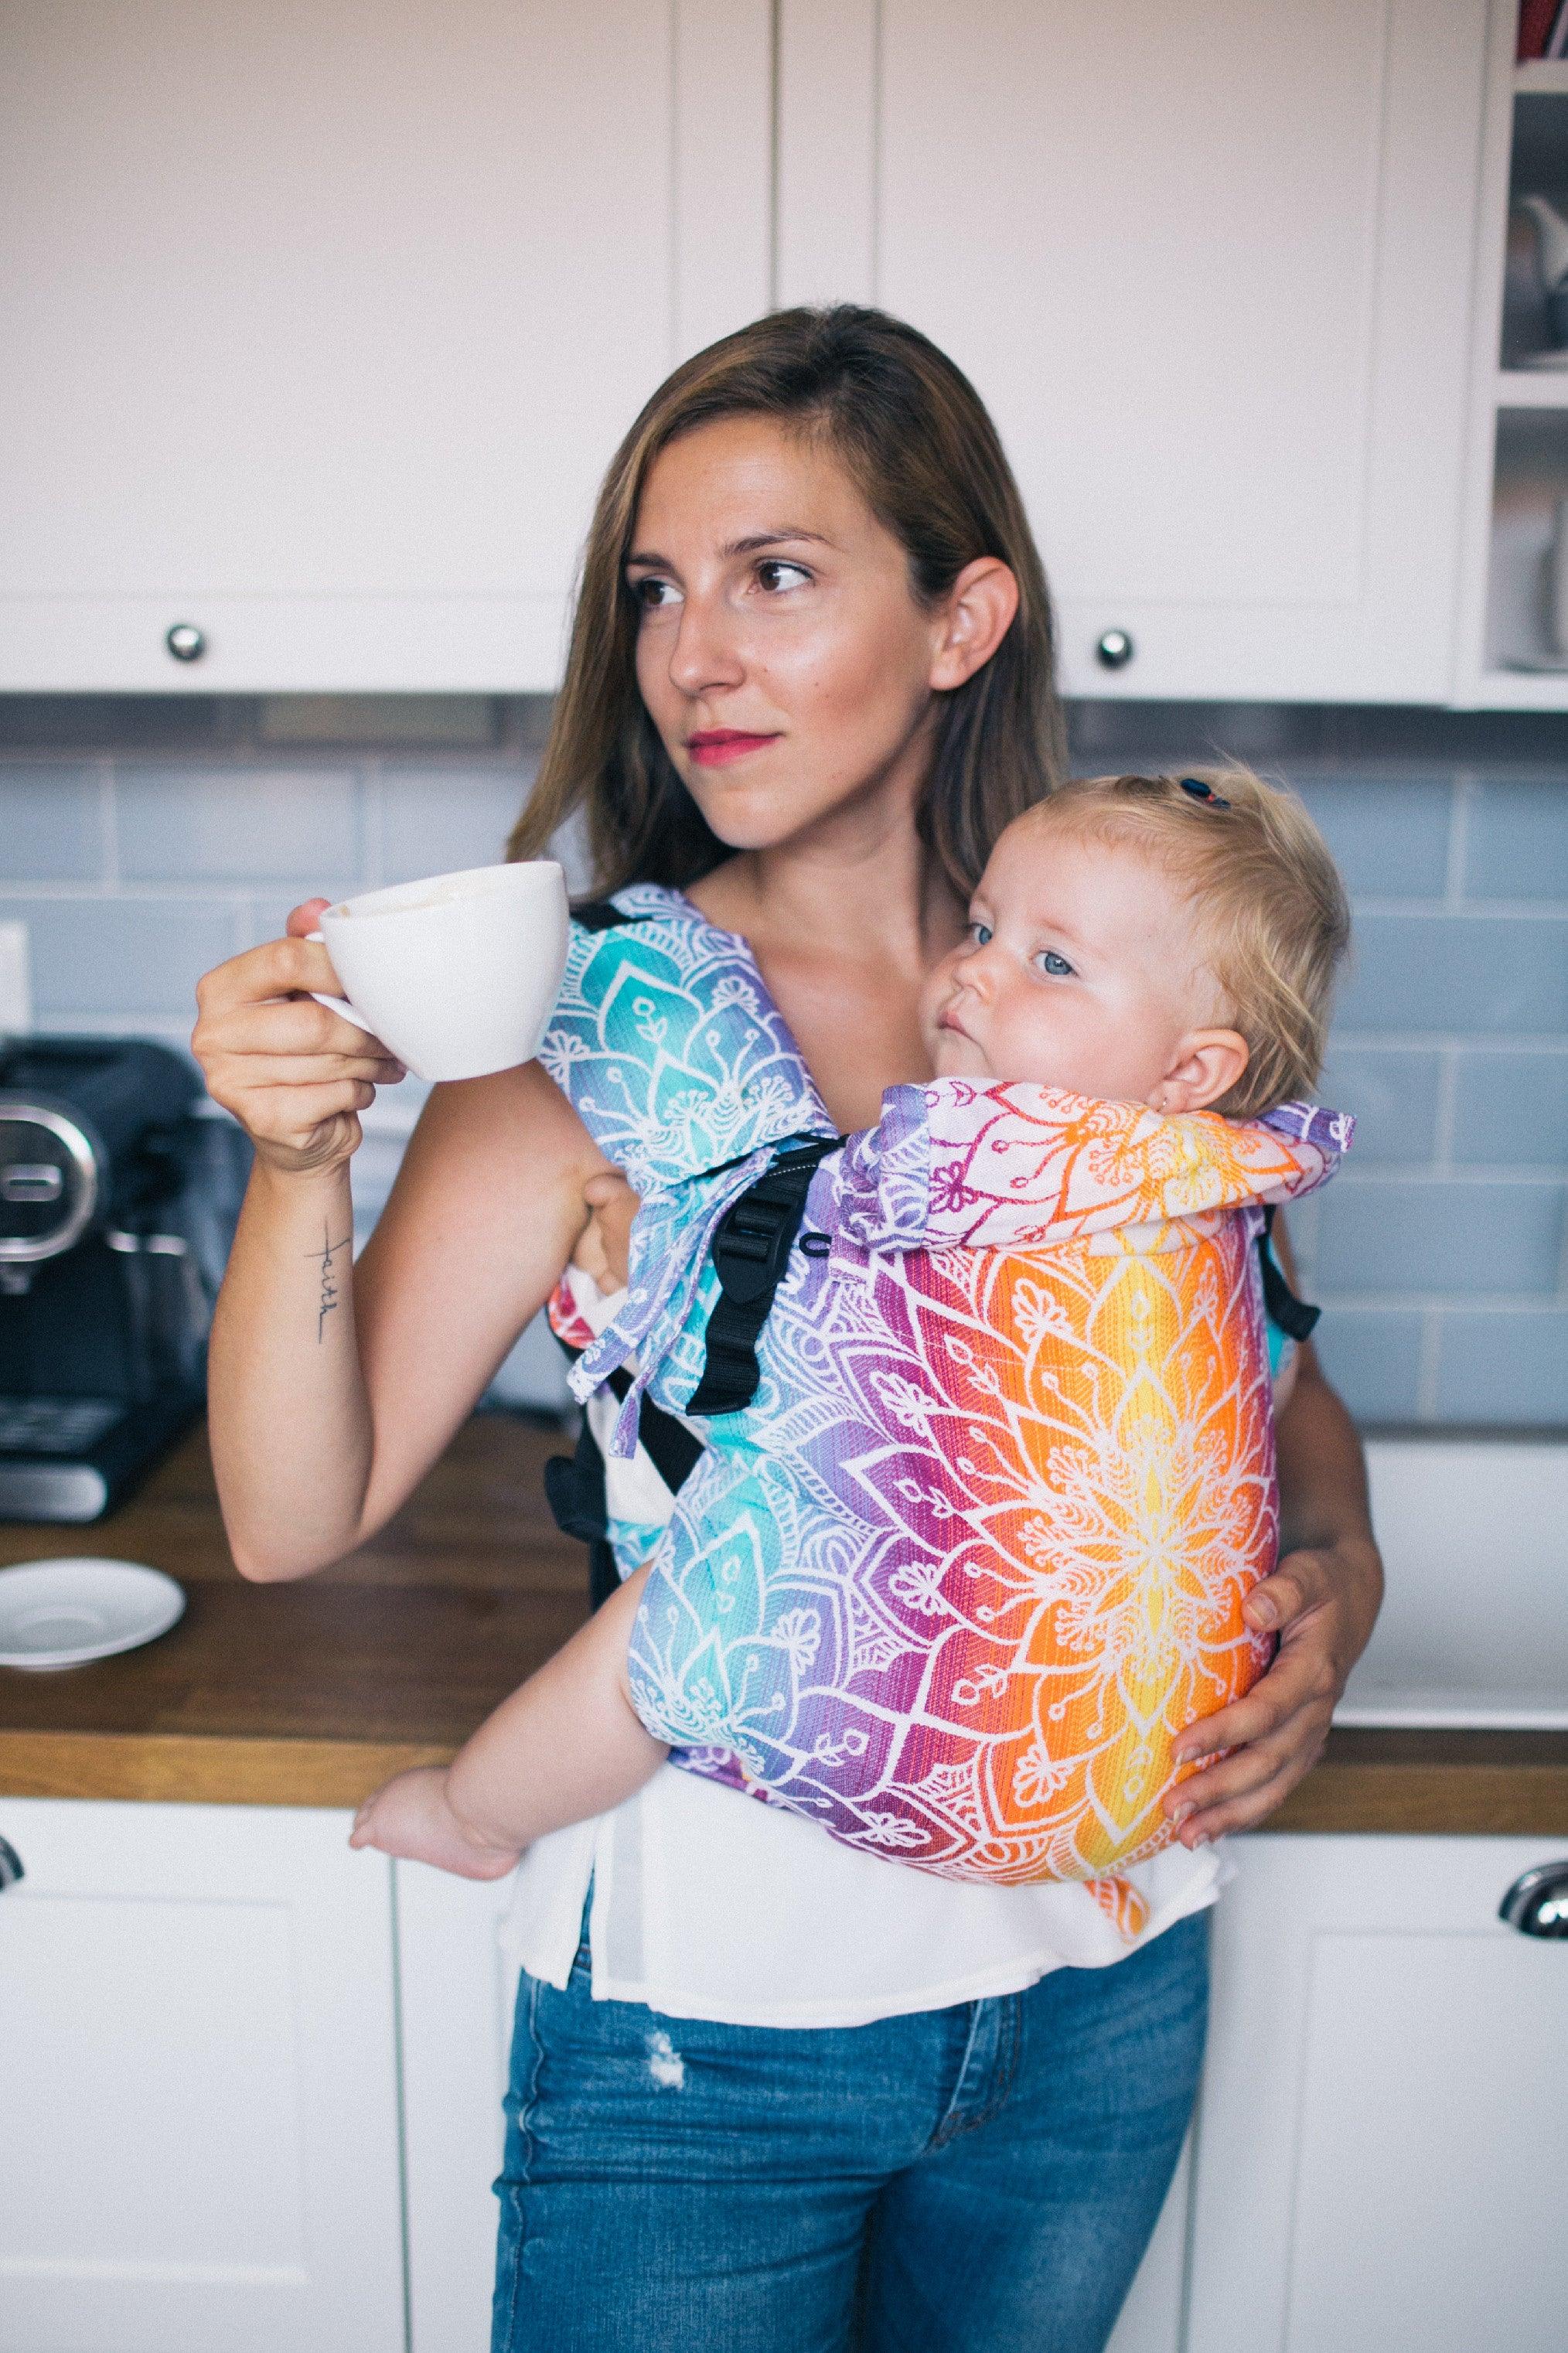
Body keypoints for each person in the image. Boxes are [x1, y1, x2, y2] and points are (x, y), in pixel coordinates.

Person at [193, 307, 1383, 2353]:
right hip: (708, 2036)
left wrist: (1335, 1591)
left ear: (960, 616)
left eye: (776, 575)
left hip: (1103, 1995)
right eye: (658, 590)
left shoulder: (1122, 987)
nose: (691, 658)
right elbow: (292, 1520)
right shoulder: (576, 1029)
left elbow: (1274, 1380)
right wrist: (296, 1157)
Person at [346, 766, 1354, 1901]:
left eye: (1052, 962)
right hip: (1134, 1804)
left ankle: (472, 1812)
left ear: (1190, 1071)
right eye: (984, 927)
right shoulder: (1239, 1181)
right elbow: (1272, 1378)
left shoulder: (957, 1152)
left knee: (666, 1633)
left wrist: (657, 1236)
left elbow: (800, 1282)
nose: (976, 968)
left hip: (964, 1787)